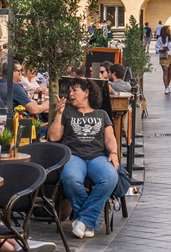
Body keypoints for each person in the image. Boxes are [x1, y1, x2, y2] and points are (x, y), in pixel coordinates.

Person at [49, 80, 119, 239]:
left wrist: (113, 153)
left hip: (97, 157)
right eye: (70, 91)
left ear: (87, 92)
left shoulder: (102, 114)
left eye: (75, 90)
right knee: (71, 179)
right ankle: (88, 221)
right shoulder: (66, 113)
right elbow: (53, 137)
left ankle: (82, 220)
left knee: (110, 177)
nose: (71, 94)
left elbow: (109, 139)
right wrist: (58, 114)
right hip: (74, 156)